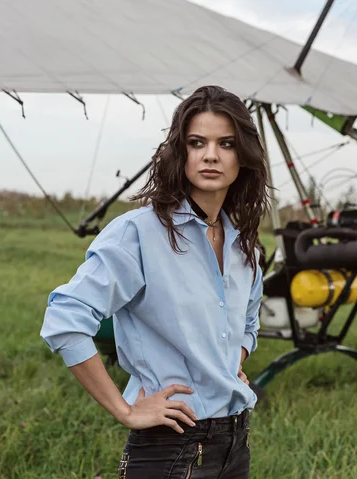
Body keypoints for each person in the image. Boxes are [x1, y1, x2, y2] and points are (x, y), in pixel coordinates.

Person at [40, 85, 271, 478]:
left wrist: (231, 363)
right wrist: (124, 409)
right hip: (171, 445)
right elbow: (65, 320)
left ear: (243, 156)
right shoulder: (139, 233)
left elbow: (248, 324)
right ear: (180, 153)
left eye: (226, 143)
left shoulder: (242, 243)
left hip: (235, 442)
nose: (211, 155)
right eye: (197, 142)